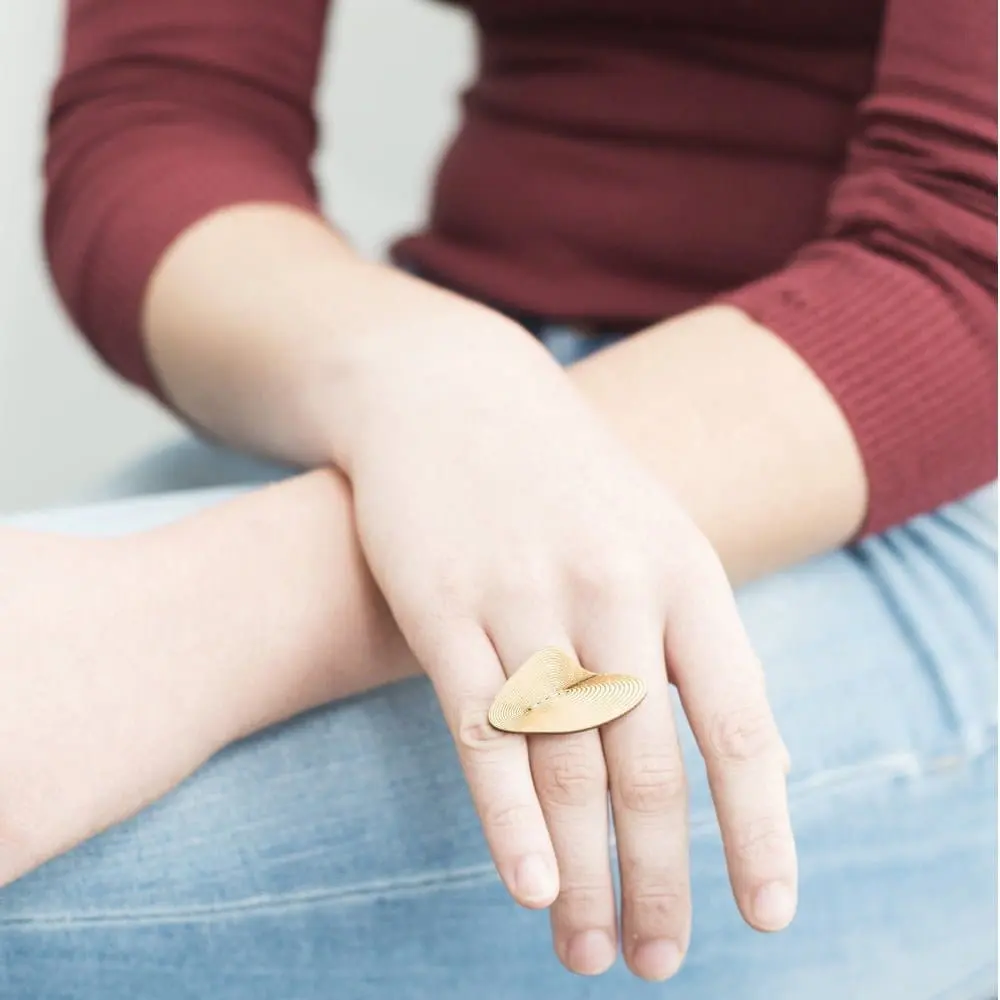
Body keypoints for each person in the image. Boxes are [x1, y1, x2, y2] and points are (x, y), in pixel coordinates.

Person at [1, 0, 995, 996]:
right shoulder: (443, 382)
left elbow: (971, 256)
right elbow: (165, 107)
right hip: (427, 382)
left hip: (906, 477)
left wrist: (198, 615)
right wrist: (427, 376)